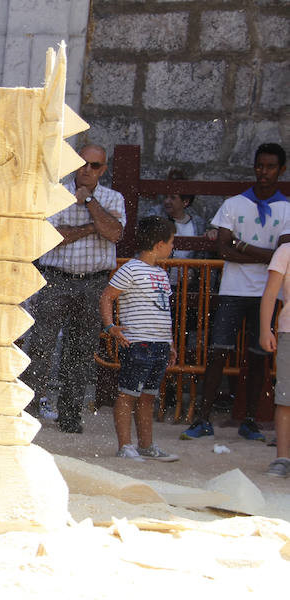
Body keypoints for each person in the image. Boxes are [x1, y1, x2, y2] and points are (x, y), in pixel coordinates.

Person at [181, 143, 289, 442]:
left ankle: (250, 420)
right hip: (232, 289)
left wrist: (241, 246)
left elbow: (280, 253)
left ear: (281, 170)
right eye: (259, 165)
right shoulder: (233, 203)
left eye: (269, 167)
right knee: (217, 352)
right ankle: (202, 419)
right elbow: (223, 249)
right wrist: (261, 253)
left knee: (258, 356)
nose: (263, 171)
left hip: (268, 293)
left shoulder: (287, 208)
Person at [21, 143, 126, 433]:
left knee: (80, 352)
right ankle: (27, 410)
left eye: (95, 166)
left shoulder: (113, 198)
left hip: (94, 283)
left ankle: (69, 415)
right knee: (41, 346)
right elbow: (52, 237)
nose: (87, 170)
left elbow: (115, 233)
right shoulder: (55, 193)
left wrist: (90, 202)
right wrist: (94, 227)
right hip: (56, 278)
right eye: (83, 163)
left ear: (103, 169)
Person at [100, 216, 180, 461]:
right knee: (128, 394)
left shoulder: (162, 274)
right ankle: (125, 445)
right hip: (137, 343)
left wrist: (171, 343)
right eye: (171, 242)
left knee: (148, 396)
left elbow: (163, 310)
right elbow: (107, 296)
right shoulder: (131, 268)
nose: (172, 247)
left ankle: (146, 445)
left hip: (159, 344)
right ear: (159, 245)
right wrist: (111, 326)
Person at [258, 241, 290, 477]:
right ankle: (282, 457)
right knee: (286, 397)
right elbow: (270, 294)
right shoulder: (285, 251)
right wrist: (265, 329)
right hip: (289, 331)